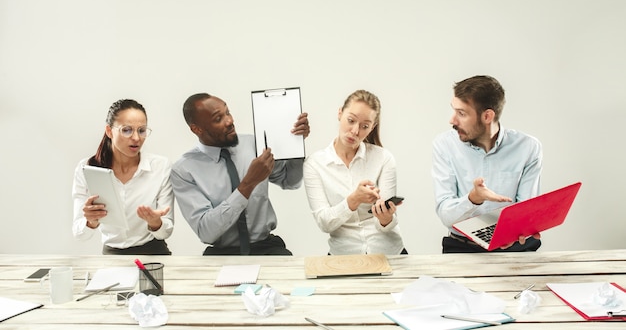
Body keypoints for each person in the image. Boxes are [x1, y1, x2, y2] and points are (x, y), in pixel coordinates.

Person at [171, 93, 310, 255]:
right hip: (222, 254)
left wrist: (295, 144)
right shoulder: (184, 170)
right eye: (218, 119)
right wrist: (248, 183)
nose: (230, 121)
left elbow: (290, 181)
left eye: (228, 112)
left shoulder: (253, 144)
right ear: (197, 129)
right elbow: (206, 232)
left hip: (266, 247)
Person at [432, 75, 543, 253]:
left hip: (514, 247)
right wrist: (473, 199)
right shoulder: (445, 145)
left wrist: (520, 230)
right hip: (463, 248)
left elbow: (525, 208)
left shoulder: (528, 147)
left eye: (462, 113)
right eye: (454, 111)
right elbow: (446, 214)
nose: (452, 120)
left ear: (487, 116)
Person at [304, 90, 406, 255]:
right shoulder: (315, 164)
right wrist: (353, 200)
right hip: (343, 257)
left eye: (364, 126)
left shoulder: (384, 158)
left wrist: (385, 217)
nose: (355, 131)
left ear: (372, 127)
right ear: (340, 113)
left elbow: (386, 225)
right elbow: (324, 222)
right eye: (350, 120)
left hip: (387, 253)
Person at [72, 99, 174, 255]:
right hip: (112, 256)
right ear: (109, 131)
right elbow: (79, 233)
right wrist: (91, 221)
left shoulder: (160, 166)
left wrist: (156, 223)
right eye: (126, 130)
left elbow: (165, 231)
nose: (136, 138)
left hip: (154, 254)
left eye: (141, 130)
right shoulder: (87, 168)